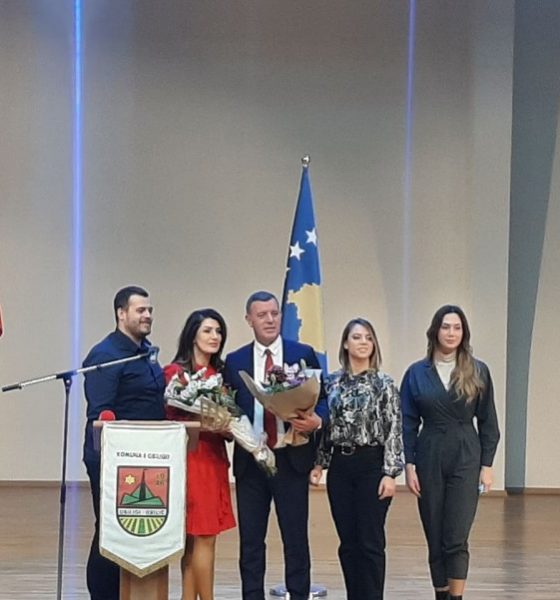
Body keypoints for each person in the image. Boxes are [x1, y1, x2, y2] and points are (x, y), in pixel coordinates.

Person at [223, 290, 328, 600]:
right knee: (251, 542)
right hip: (251, 461)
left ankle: (299, 594)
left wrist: (316, 421)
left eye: (274, 313)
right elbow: (229, 408)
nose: (269, 319)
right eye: (262, 315)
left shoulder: (302, 353)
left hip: (291, 458)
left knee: (295, 539)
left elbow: (323, 400)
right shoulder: (235, 361)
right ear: (249, 320)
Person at [400, 305, 500, 600]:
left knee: (456, 536)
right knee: (435, 534)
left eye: (457, 327)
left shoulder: (478, 370)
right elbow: (407, 422)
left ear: (464, 333)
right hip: (429, 453)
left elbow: (488, 421)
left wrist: (487, 465)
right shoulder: (416, 373)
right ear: (435, 331)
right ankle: (441, 595)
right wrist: (409, 464)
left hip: (465, 454)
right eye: (446, 327)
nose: (451, 333)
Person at [309, 318, 403, 600]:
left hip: (372, 465)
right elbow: (325, 427)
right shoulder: (331, 382)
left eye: (368, 338)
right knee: (348, 544)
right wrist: (319, 463)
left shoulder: (384, 384)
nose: (363, 342)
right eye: (357, 337)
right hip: (341, 467)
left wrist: (390, 473)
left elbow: (394, 429)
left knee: (370, 542)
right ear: (346, 344)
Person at [82, 285, 166, 600]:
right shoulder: (105, 356)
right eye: (140, 310)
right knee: (109, 530)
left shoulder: (146, 352)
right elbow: (100, 415)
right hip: (112, 459)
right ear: (121, 313)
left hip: (149, 457)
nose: (147, 315)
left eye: (149, 310)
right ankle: (102, 595)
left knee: (130, 530)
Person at [164, 309, 236, 600]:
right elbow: (170, 419)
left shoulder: (219, 375)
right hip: (193, 460)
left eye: (218, 331)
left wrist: (229, 427)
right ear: (192, 334)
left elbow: (230, 425)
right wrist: (203, 422)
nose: (214, 336)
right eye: (207, 330)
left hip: (214, 459)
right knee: (200, 538)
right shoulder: (176, 374)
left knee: (200, 540)